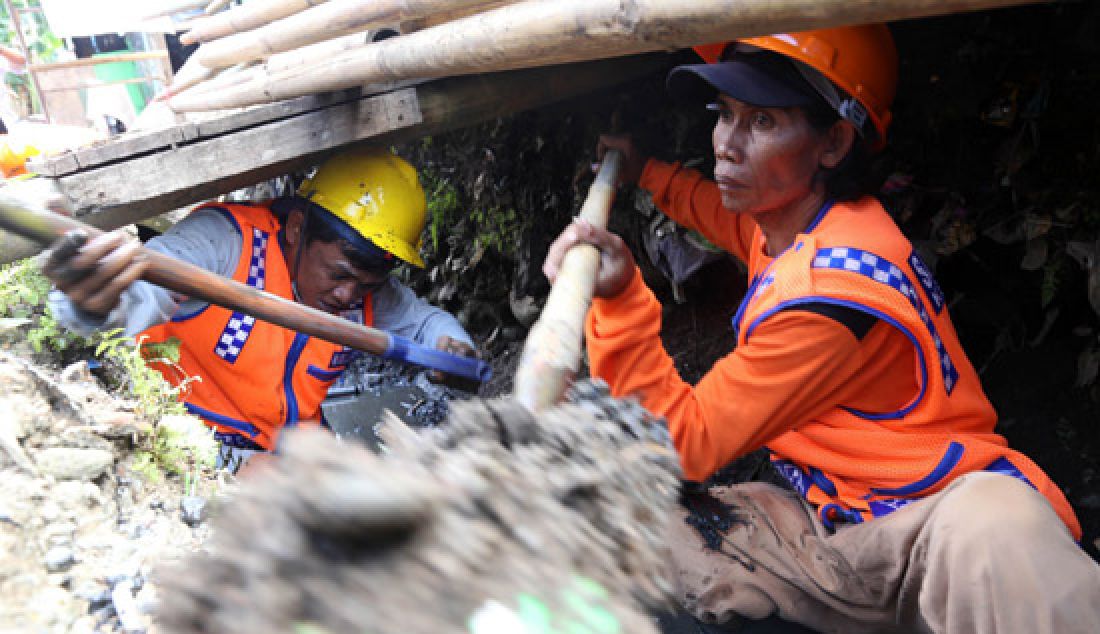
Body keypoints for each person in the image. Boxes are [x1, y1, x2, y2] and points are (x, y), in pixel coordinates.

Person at [544, 24, 1100, 634]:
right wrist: (647, 171)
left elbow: (679, 449)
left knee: (998, 531)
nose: (726, 144)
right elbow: (721, 216)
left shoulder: (826, 300)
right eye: (724, 113)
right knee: (619, 527)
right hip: (835, 524)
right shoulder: (803, 221)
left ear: (833, 142)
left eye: (760, 122)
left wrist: (620, 300)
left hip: (929, 531)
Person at [47, 147, 476, 472]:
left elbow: (425, 322)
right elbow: (140, 292)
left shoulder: (368, 292)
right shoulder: (225, 243)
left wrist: (452, 345)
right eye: (338, 274)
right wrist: (93, 302)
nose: (348, 296)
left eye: (366, 284)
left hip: (291, 452)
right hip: (193, 442)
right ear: (296, 229)